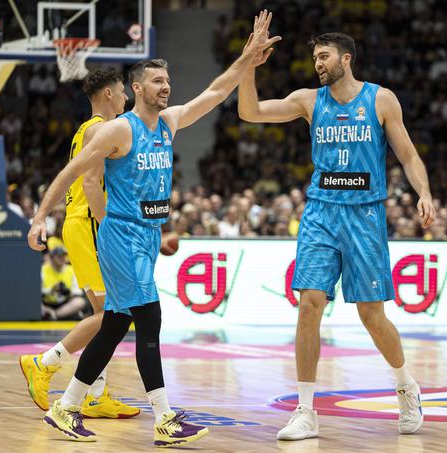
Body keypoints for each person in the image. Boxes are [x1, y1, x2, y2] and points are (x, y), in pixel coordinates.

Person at [26, 10, 280, 446]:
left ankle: (65, 408)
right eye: (158, 82)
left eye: (169, 81)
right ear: (137, 89)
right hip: (120, 236)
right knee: (150, 317)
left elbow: (217, 91)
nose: (167, 87)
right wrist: (39, 217)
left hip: (145, 237)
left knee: (114, 323)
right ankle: (164, 418)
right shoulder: (115, 131)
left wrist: (246, 58)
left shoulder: (169, 123)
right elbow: (70, 174)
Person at [238, 32, 435, 440]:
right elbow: (250, 111)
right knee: (309, 303)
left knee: (371, 315)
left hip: (365, 214)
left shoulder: (381, 100)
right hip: (321, 212)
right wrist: (247, 66)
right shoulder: (308, 101)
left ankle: (406, 386)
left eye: (324, 56)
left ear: (347, 58)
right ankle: (306, 410)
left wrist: (424, 193)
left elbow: (408, 153)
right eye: (315, 58)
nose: (318, 64)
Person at [19, 68, 139, 419]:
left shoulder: (85, 130)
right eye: (121, 93)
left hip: (80, 224)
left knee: (111, 313)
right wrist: (111, 228)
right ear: (107, 95)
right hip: (90, 224)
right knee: (111, 315)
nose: (125, 99)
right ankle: (44, 362)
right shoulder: (101, 128)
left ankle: (96, 394)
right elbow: (89, 183)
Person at [40, 247, 86, 320]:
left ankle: (54, 315)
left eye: (64, 256)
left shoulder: (71, 270)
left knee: (80, 302)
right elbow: (36, 291)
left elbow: (78, 291)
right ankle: (51, 313)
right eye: (59, 256)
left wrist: (68, 291)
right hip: (47, 302)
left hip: (65, 303)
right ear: (51, 258)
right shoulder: (43, 269)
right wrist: (51, 290)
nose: (62, 258)